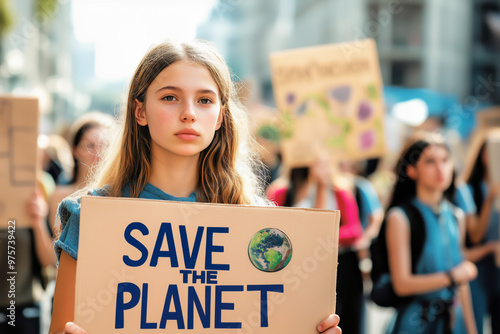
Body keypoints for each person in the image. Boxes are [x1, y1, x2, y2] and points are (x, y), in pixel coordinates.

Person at [48, 40, 341, 334]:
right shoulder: (92, 217)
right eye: (170, 97)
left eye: (204, 100)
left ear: (220, 117)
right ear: (140, 111)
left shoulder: (261, 223)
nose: (189, 113)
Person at [384, 136, 477, 333]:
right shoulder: (400, 217)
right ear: (411, 170)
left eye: (445, 160)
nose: (440, 168)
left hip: (454, 322)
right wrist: (452, 276)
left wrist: (472, 329)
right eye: (430, 161)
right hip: (417, 322)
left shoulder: (456, 216)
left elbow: (462, 284)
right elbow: (402, 284)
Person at [267, 158, 361, 334]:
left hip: (336, 270)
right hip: (291, 270)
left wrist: (321, 240)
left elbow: (354, 230)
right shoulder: (281, 191)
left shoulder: (340, 191)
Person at [48, 112, 113, 235]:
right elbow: (56, 251)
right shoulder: (60, 196)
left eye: (105, 145)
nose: (99, 152)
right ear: (75, 150)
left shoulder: (121, 194)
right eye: (90, 145)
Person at [463, 137, 500, 334]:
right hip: (478, 267)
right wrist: (491, 197)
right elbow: (476, 235)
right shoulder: (470, 190)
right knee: (474, 323)